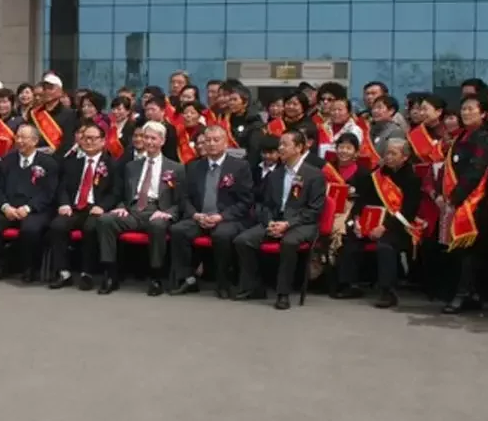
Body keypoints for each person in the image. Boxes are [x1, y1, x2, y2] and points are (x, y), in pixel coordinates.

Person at [233, 129, 327, 310]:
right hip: (276, 220)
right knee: (243, 240)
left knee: (289, 242)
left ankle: (283, 293)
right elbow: (264, 205)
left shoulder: (314, 175)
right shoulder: (275, 174)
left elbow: (315, 210)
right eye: (280, 144)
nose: (280, 148)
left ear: (299, 147)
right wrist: (269, 222)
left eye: (285, 144)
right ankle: (254, 286)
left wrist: (288, 224)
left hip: (301, 223)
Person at [94, 121, 185, 296]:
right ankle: (110, 274)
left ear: (162, 141)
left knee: (158, 225)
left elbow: (180, 200)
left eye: (153, 138)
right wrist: (121, 207)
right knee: (106, 220)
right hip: (133, 210)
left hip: (157, 210)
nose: (149, 142)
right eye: (146, 137)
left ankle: (156, 278)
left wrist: (167, 213)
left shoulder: (176, 168)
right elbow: (121, 194)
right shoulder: (131, 166)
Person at [332, 137, 421, 308]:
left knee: (385, 245)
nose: (388, 157)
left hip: (398, 225)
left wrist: (384, 227)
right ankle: (349, 284)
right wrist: (357, 220)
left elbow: (408, 212)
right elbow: (362, 200)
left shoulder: (411, 179)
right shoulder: (376, 175)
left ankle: (387, 291)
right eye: (386, 153)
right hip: (370, 222)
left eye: (393, 154)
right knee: (349, 236)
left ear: (404, 157)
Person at [168, 124, 254, 297]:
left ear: (226, 142)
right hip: (200, 217)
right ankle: (187, 279)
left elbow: (246, 201)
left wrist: (221, 216)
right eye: (208, 140)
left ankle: (223, 282)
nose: (212, 144)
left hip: (227, 218)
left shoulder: (239, 166)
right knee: (178, 230)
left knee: (221, 235)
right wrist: (195, 214)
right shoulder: (193, 166)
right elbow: (184, 198)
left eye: (216, 140)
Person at [440, 95, 488, 315]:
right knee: (458, 252)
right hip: (456, 200)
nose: (466, 113)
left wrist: (457, 195)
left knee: (470, 252)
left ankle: (465, 294)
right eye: (463, 109)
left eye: (471, 109)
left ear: (483, 113)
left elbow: (476, 170)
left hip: (474, 202)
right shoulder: (460, 137)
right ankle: (464, 292)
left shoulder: (483, 139)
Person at [47, 123, 119, 291]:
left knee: (91, 228)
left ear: (103, 141)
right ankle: (63, 273)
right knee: (57, 226)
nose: (89, 142)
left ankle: (87, 273)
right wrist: (64, 203)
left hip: (95, 209)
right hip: (74, 207)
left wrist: (103, 206)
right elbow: (62, 187)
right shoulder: (72, 162)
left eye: (94, 139)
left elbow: (116, 192)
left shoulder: (112, 164)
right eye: (86, 138)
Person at [0, 124, 58, 282]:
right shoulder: (7, 160)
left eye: (24, 138)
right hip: (9, 207)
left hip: (34, 210)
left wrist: (28, 208)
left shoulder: (48, 163)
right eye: (18, 137)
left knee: (30, 229)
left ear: (35, 141)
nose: (20, 141)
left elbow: (48, 193)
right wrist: (5, 206)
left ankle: (29, 268)